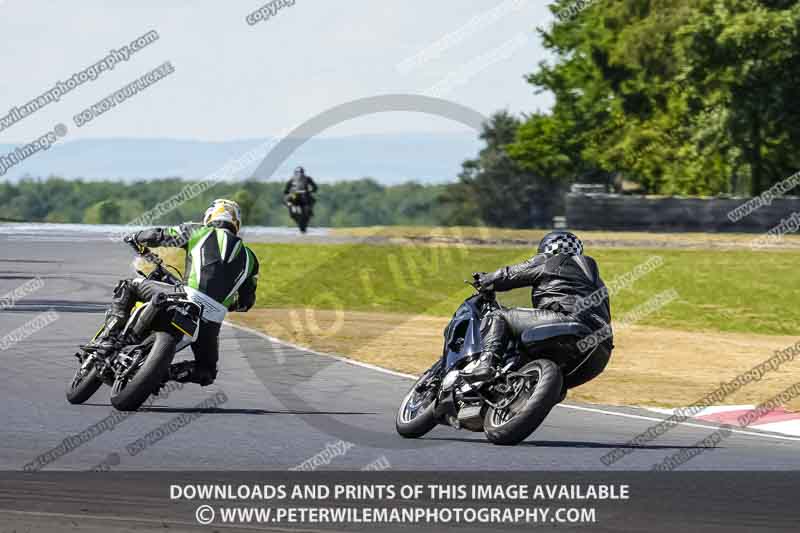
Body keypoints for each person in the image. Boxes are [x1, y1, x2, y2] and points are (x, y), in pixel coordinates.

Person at [89, 199, 259, 386]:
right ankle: (163, 375)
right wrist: (223, 303)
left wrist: (137, 237)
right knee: (207, 370)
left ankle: (109, 339)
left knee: (129, 286)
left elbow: (159, 235)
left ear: (209, 216)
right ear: (237, 224)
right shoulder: (251, 259)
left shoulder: (199, 231)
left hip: (186, 295)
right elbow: (246, 302)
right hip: (211, 319)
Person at [463, 231, 612, 394]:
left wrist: (485, 280)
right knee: (556, 388)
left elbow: (510, 275)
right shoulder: (598, 281)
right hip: (600, 351)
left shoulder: (552, 259)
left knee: (499, 316)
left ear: (549, 247)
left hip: (566, 322)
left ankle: (487, 362)